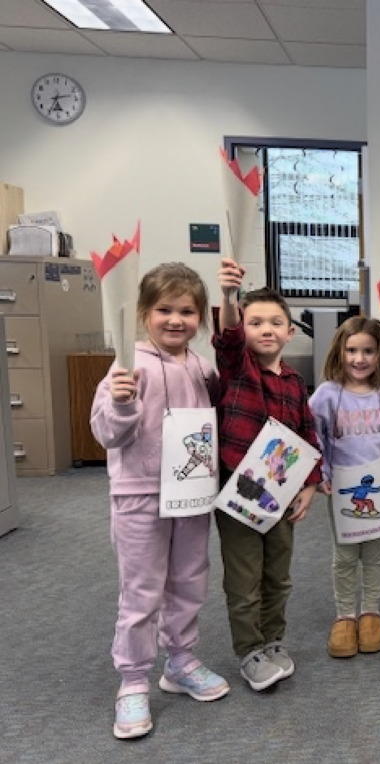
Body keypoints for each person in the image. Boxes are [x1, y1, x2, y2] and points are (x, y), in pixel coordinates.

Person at [91, 263, 228, 740]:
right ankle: (132, 681)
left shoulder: (198, 364)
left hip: (191, 493)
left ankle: (181, 660)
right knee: (143, 590)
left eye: (187, 311)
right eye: (164, 310)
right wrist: (123, 401)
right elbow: (107, 433)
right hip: (140, 496)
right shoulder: (127, 366)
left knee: (190, 579)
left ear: (200, 318)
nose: (176, 319)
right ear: (144, 313)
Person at [214, 258, 320, 691]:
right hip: (239, 494)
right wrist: (227, 297)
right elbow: (227, 339)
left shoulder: (295, 381)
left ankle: (273, 640)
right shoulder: (238, 369)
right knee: (244, 580)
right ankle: (249, 651)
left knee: (278, 574)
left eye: (276, 322)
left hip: (280, 497)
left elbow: (307, 433)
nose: (266, 329)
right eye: (255, 322)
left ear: (290, 332)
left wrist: (311, 484)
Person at [309, 317, 380, 657]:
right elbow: (314, 435)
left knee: (374, 553)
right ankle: (345, 614)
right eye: (352, 350)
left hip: (379, 486)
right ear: (340, 351)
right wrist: (322, 473)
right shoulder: (328, 394)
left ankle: (370, 611)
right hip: (342, 485)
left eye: (368, 351)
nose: (359, 359)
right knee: (345, 554)